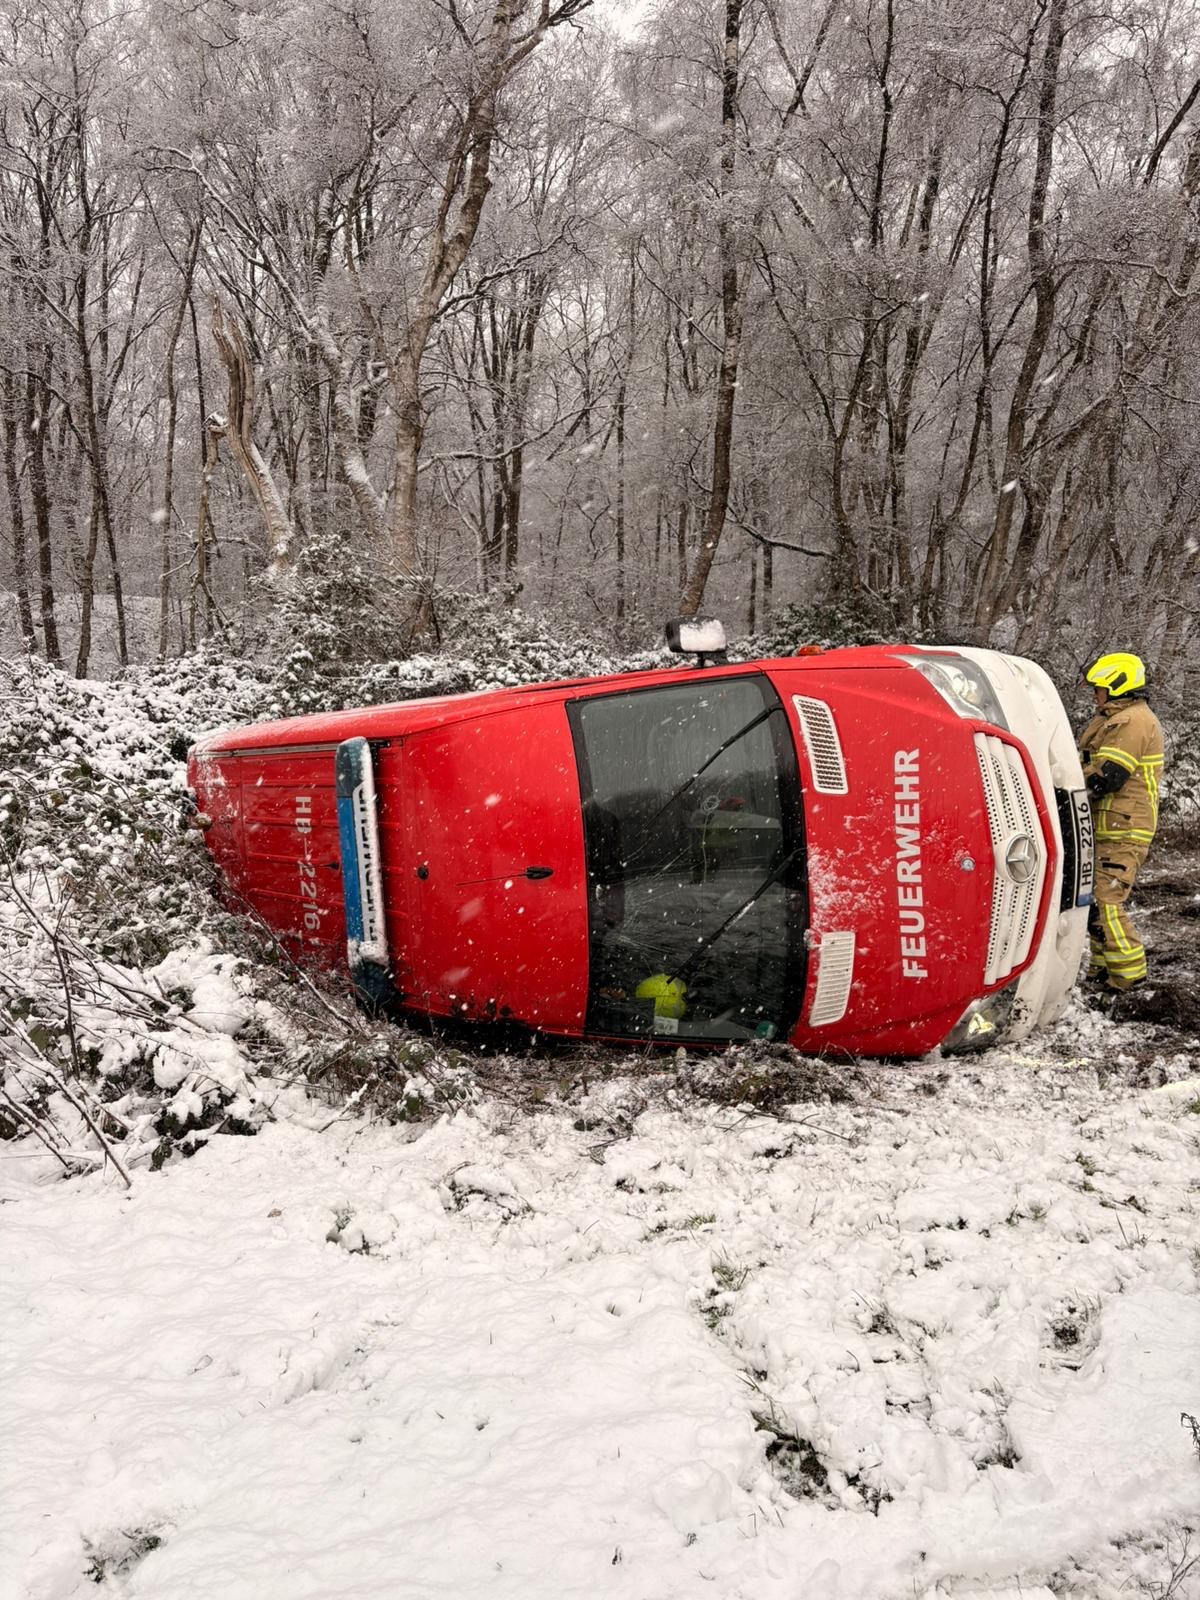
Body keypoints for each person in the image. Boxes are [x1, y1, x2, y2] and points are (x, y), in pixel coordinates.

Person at [1077, 651, 1165, 992]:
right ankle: (1101, 973)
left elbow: (1107, 776)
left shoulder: (1133, 722)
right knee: (1095, 904)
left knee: (1106, 901)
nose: (1094, 694)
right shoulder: (1115, 717)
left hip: (1124, 827)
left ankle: (1129, 981)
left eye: (1099, 688)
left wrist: (1062, 787)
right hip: (1110, 824)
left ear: (1117, 685)